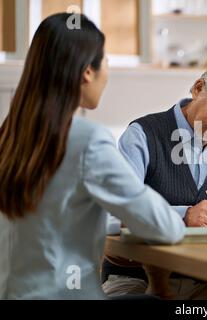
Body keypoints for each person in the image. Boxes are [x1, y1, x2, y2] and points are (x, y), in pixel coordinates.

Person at [0, 13, 185, 300]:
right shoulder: (87, 140)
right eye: (107, 60)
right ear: (88, 71)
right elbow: (165, 227)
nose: (108, 70)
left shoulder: (7, 135)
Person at [102, 61, 207, 299]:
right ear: (198, 88)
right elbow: (111, 217)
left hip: (204, 280)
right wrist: (183, 216)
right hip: (135, 277)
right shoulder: (143, 135)